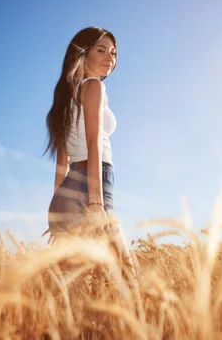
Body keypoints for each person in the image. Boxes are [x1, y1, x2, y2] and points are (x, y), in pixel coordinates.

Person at [42, 27, 133, 271]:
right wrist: (96, 204)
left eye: (113, 52)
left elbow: (62, 160)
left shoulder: (65, 96)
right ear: (83, 54)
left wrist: (57, 212)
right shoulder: (94, 87)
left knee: (76, 287)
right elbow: (93, 144)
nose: (110, 58)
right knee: (126, 275)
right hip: (91, 187)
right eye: (101, 50)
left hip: (66, 194)